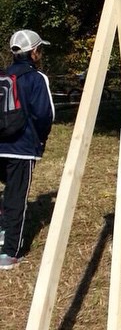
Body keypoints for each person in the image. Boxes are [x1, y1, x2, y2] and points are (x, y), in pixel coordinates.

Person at [0, 29, 55, 270]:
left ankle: (3, 232)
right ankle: (10, 252)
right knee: (16, 197)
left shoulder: (3, 76)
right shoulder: (36, 78)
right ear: (33, 52)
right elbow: (45, 114)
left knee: (8, 193)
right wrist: (40, 140)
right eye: (39, 49)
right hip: (21, 148)